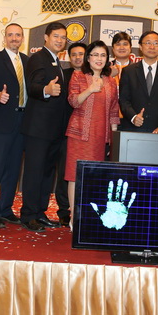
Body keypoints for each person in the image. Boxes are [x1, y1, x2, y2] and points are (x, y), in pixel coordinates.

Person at [20, 22, 70, 232]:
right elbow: (32, 85)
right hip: (38, 129)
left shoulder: (56, 60)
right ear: (46, 37)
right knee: (34, 172)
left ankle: (40, 213)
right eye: (56, 36)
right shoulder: (38, 58)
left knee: (47, 174)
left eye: (63, 37)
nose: (59, 40)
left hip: (54, 130)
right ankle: (28, 215)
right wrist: (46, 90)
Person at [65, 40, 119, 216]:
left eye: (103, 55)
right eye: (95, 55)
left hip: (100, 137)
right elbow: (73, 101)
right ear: (88, 58)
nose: (99, 58)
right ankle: (74, 217)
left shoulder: (110, 81)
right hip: (79, 135)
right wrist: (90, 89)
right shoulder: (78, 76)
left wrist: (114, 139)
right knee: (75, 175)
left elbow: (114, 111)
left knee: (94, 177)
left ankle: (88, 215)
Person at [0, 23, 28, 229]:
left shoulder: (27, 61)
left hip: (22, 121)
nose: (14, 38)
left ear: (22, 38)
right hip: (0, 121)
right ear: (4, 37)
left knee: (13, 169)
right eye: (10, 35)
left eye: (18, 35)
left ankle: (6, 209)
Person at [54, 42, 87, 226]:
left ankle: (83, 209)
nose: (77, 58)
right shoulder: (63, 75)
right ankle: (64, 210)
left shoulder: (93, 76)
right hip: (65, 131)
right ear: (68, 57)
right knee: (65, 173)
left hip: (88, 132)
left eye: (81, 54)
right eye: (73, 54)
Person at [118, 30, 158, 134]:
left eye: (156, 43)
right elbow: (124, 100)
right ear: (140, 47)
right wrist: (133, 117)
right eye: (148, 43)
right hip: (132, 130)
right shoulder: (128, 71)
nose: (152, 47)